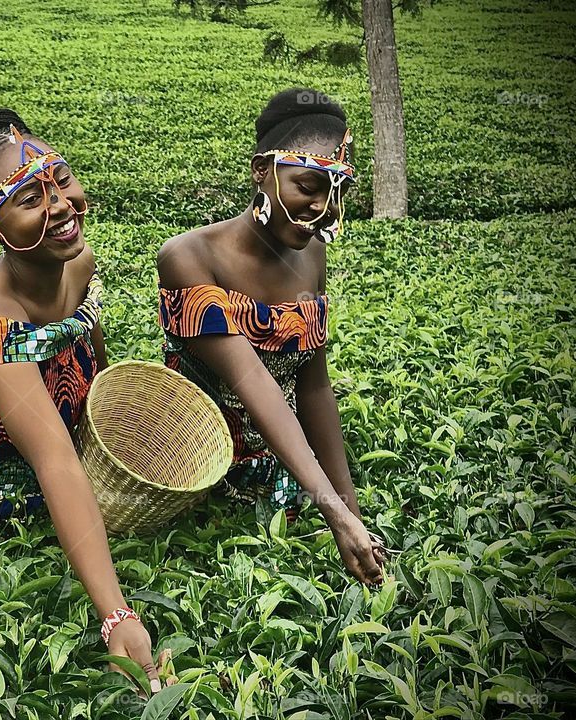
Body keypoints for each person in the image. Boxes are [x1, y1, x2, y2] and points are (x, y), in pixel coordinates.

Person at [0, 108, 164, 691]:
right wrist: (117, 616)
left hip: (67, 458)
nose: (60, 204)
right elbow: (53, 461)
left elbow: (95, 362)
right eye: (28, 198)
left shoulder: (78, 261)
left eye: (59, 178)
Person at [157, 88, 388, 586]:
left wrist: (349, 510)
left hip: (283, 476)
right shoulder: (189, 257)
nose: (321, 208)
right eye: (307, 186)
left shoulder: (312, 256)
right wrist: (332, 509)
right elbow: (249, 378)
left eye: (334, 192)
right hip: (196, 475)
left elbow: (313, 385)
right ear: (262, 169)